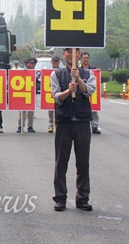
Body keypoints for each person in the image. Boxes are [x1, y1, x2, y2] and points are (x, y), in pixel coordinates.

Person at [50, 47, 95, 212]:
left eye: (75, 51)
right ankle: (60, 198)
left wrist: (79, 80)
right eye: (68, 51)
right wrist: (69, 90)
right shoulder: (56, 74)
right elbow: (56, 96)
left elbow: (89, 91)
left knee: (83, 162)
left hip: (82, 121)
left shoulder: (88, 74)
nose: (72, 54)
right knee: (61, 162)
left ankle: (82, 198)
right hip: (64, 121)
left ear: (80, 54)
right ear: (64, 55)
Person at [80, 52, 101, 134]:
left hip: (92, 94)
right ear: (81, 59)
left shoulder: (94, 69)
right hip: (81, 94)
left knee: (94, 110)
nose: (86, 59)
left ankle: (95, 126)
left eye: (87, 58)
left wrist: (98, 71)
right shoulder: (78, 70)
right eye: (84, 58)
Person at [17, 57, 37, 133]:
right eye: (31, 63)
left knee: (31, 111)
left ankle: (30, 126)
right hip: (22, 92)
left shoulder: (36, 71)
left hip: (31, 93)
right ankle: (20, 126)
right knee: (22, 111)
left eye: (34, 63)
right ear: (26, 63)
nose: (33, 65)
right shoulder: (21, 71)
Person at [47, 55, 61, 133]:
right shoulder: (47, 71)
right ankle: (51, 125)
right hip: (49, 94)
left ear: (59, 62)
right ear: (51, 62)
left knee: (59, 111)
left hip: (60, 93)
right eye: (54, 61)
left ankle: (58, 126)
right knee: (51, 111)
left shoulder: (62, 71)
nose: (55, 63)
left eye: (56, 61)